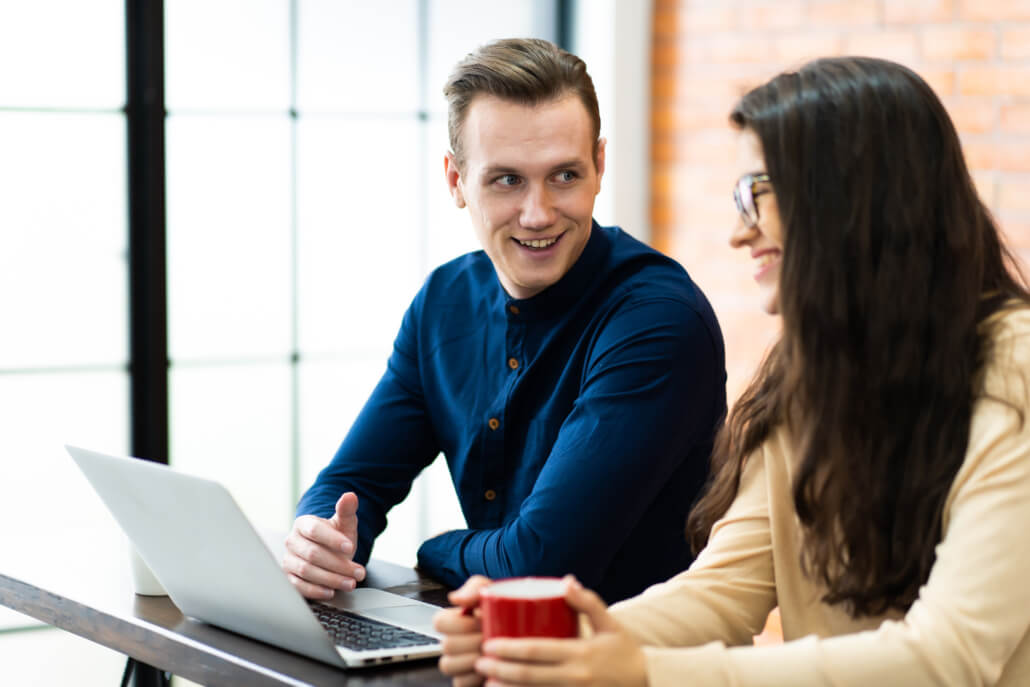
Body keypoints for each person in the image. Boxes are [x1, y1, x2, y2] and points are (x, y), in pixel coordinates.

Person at [434, 56, 1030, 686]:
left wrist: (639, 671)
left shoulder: (1014, 370)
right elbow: (724, 590)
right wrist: (555, 641)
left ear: (849, 199)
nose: (739, 234)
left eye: (758, 194)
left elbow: (950, 656)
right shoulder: (808, 376)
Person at [282, 38, 726, 605]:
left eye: (564, 175)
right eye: (507, 180)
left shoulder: (657, 321)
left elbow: (539, 564)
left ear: (600, 167)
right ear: (456, 182)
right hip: (492, 651)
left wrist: (436, 549)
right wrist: (319, 539)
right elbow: (354, 483)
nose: (539, 214)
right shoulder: (444, 302)